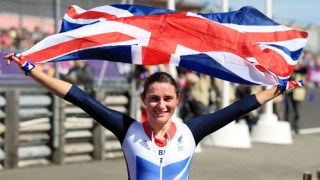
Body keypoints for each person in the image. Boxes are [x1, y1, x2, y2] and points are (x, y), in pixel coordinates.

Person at [5, 53, 294, 180]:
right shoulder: (127, 129)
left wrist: (277, 90)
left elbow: (237, 108)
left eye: (167, 98)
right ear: (143, 100)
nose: (160, 105)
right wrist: (32, 70)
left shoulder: (190, 132)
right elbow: (80, 97)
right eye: (153, 98)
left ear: (177, 100)